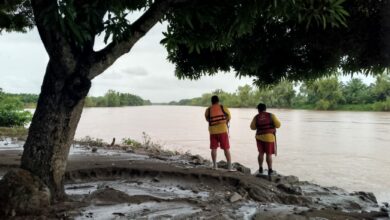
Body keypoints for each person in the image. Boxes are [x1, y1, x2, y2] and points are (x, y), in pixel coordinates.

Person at [250, 103, 281, 176]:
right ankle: (270, 170)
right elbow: (278, 125)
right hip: (269, 138)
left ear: (258, 109)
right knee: (269, 154)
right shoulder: (271, 115)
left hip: (259, 137)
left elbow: (252, 127)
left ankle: (260, 168)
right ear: (265, 109)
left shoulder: (256, 117)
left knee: (261, 153)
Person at [205, 95, 233, 171]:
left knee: (213, 148)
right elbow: (229, 117)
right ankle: (230, 167)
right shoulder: (223, 107)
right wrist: (224, 121)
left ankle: (214, 166)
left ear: (211, 101)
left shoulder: (208, 109)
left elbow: (207, 119)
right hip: (223, 131)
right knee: (226, 148)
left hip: (213, 131)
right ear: (218, 101)